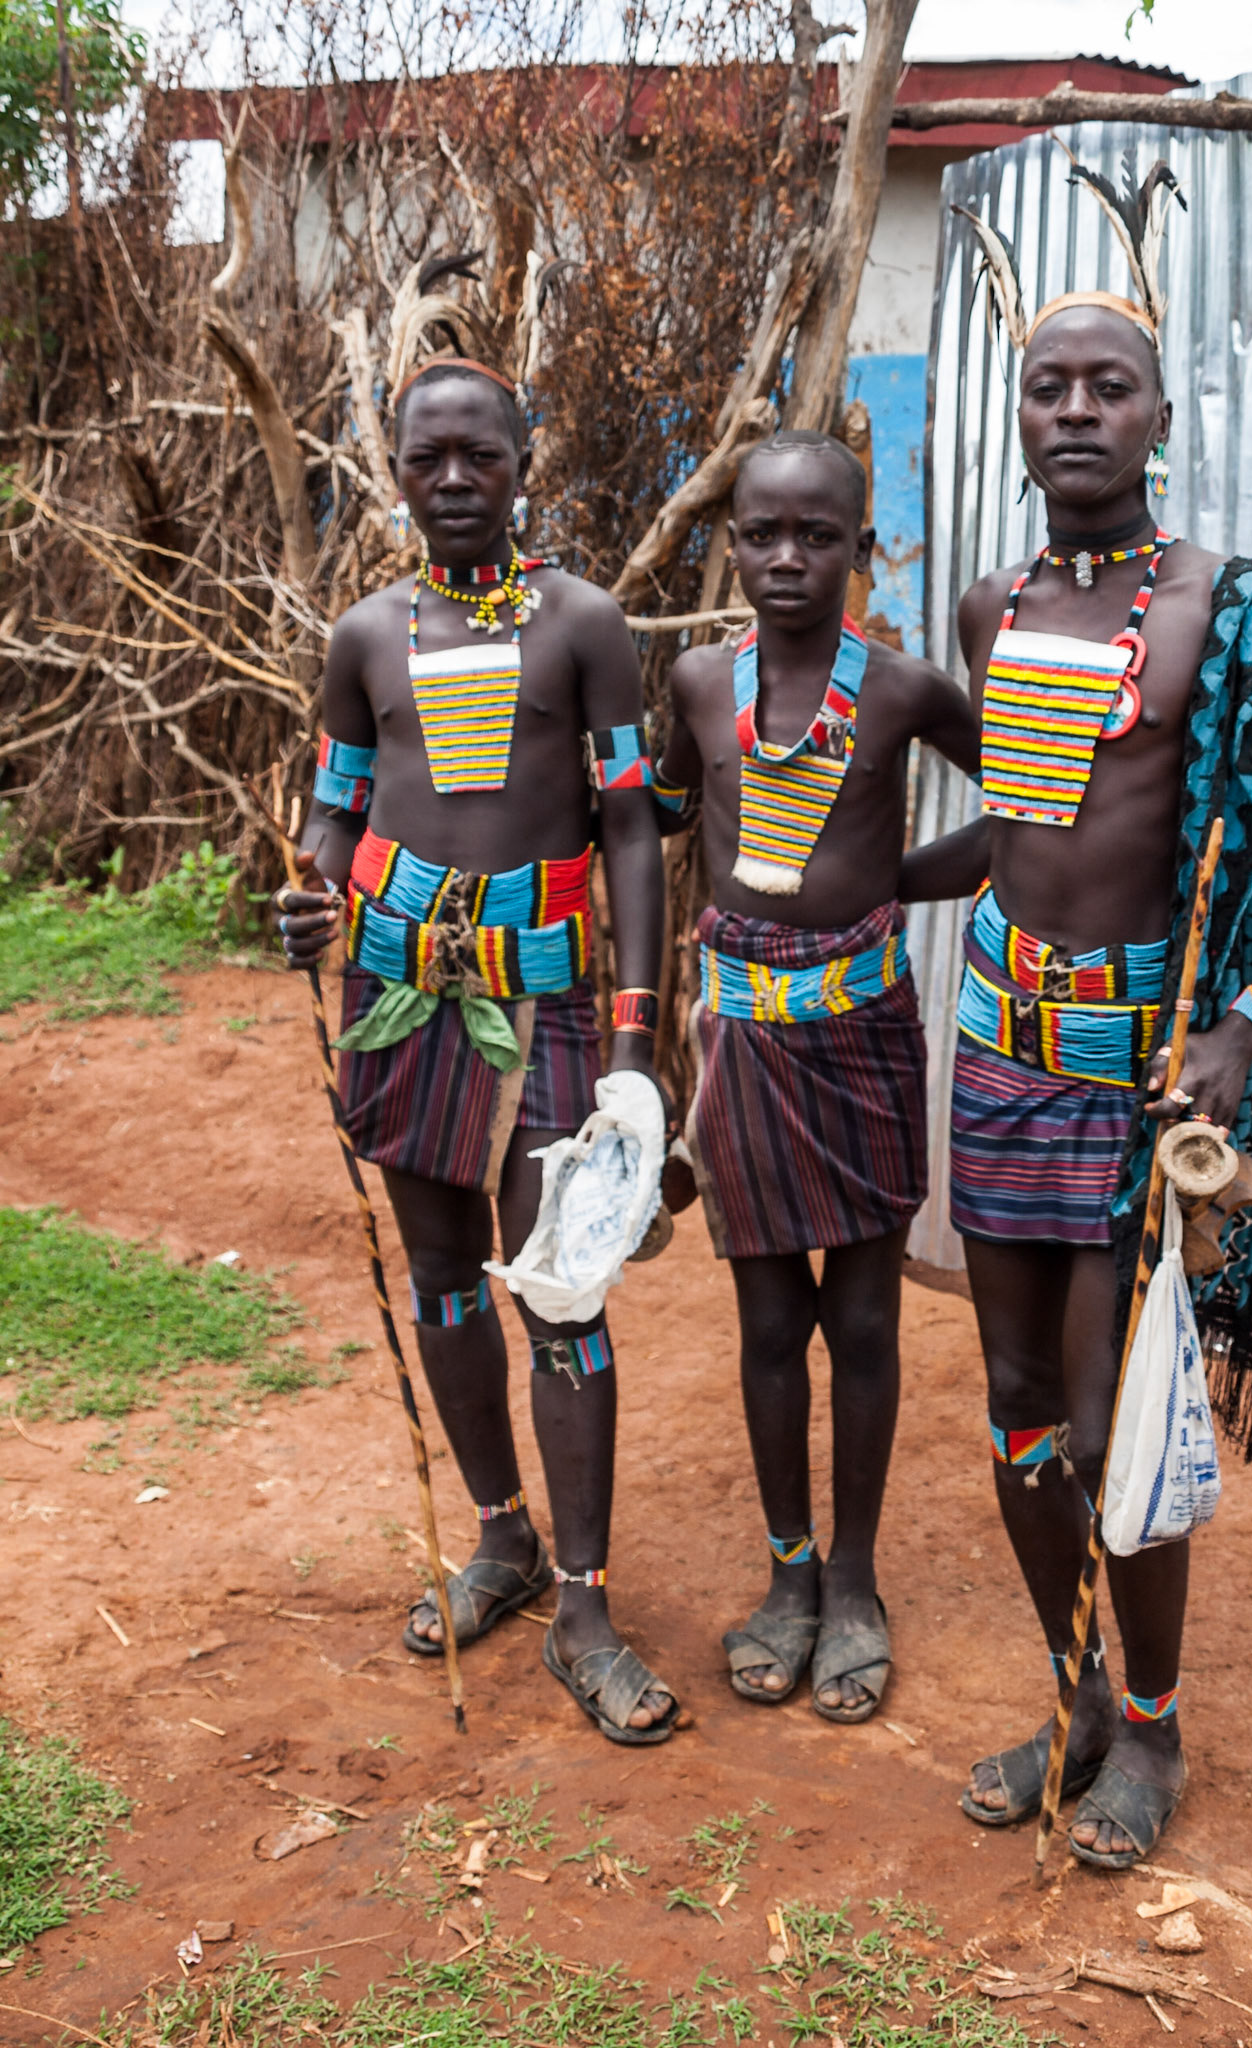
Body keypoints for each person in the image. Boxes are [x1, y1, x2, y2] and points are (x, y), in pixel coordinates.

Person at [901, 165, 1252, 1864]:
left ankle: (1158, 1733)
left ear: (1163, 412)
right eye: (1052, 385)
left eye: (1111, 384)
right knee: (1020, 1408)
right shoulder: (998, 610)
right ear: (1023, 418)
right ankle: (1074, 1691)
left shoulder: (1231, 615)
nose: (1079, 407)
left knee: (1121, 1424)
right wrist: (848, 879)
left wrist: (1248, 1019)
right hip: (998, 1052)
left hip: (1145, 1069)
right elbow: (1024, 824)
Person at [275, 352, 680, 1745]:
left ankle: (583, 1601)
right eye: (427, 459)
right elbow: (335, 804)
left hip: (550, 1003)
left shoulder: (584, 626)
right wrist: (318, 886)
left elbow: (631, 828)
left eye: (480, 457)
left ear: (523, 464)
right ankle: (501, 1538)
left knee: (560, 1292)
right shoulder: (365, 637)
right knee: (444, 1275)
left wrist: (638, 1028)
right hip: (397, 1000)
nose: (454, 481)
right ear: (395, 473)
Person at [654, 430, 980, 1722]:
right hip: (739, 1040)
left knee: (863, 1320)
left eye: (818, 536)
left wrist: (896, 880)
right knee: (768, 1324)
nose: (788, 559)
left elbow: (1025, 799)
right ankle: (788, 1573)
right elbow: (667, 814)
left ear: (863, 545)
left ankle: (855, 1579)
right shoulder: (694, 680)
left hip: (864, 1037)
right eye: (763, 534)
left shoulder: (899, 691)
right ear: (731, 542)